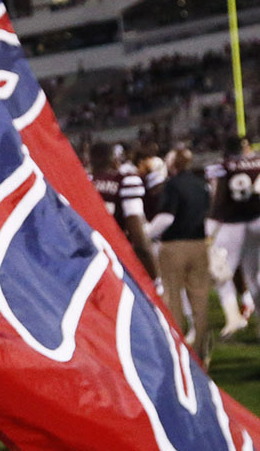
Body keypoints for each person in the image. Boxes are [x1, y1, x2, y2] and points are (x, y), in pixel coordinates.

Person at [206, 135, 260, 340]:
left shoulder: (222, 166)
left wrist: (211, 227)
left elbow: (218, 200)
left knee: (222, 274)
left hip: (232, 225)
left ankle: (233, 319)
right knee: (255, 276)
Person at [148, 146, 213, 361]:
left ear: (173, 163)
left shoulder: (173, 185)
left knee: (172, 298)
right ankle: (202, 354)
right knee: (199, 298)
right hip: (199, 243)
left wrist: (148, 233)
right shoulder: (201, 184)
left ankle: (177, 353)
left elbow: (166, 218)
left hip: (175, 246)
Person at [89, 141, 158, 281]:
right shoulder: (126, 181)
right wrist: (155, 279)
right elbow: (137, 235)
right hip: (119, 260)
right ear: (114, 159)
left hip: (89, 261)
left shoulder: (84, 182)